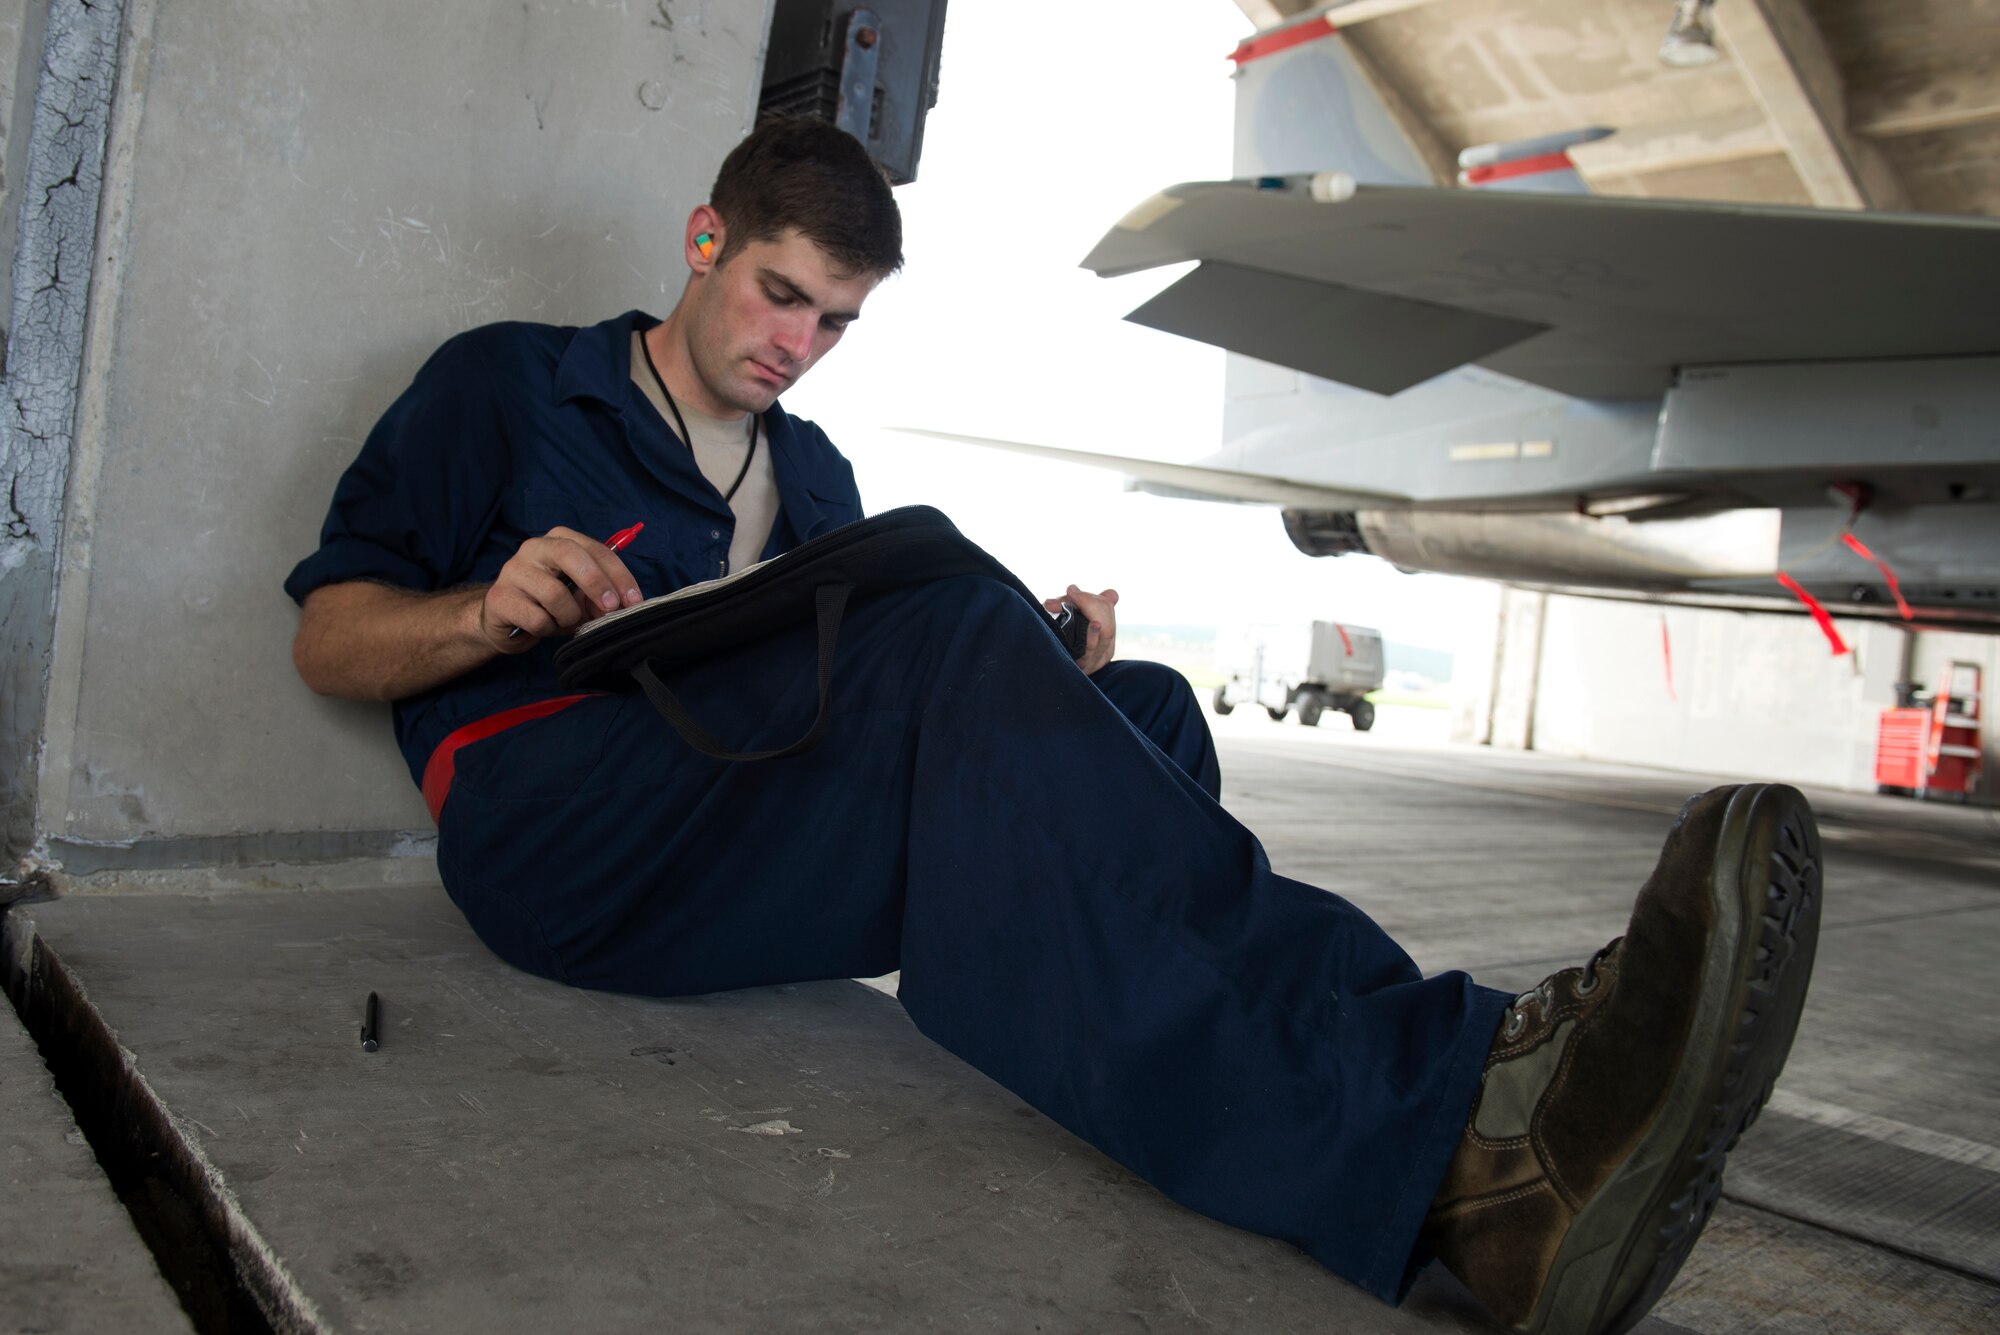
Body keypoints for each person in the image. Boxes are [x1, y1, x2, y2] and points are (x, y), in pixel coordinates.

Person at [286, 117, 1822, 1335]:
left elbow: (851, 691)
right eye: (778, 295)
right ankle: (1449, 1115)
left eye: (836, 322)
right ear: (706, 243)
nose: (797, 345)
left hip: (733, 830)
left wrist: (1046, 672)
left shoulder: (811, 477)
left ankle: (1366, 1119)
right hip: (561, 830)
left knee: (1134, 704)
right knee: (957, 634)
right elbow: (328, 635)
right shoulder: (512, 385)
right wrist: (481, 612)